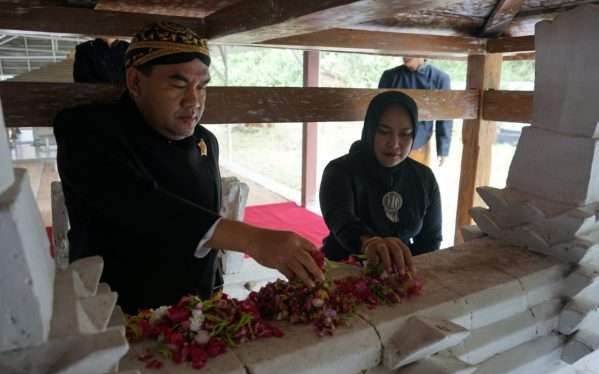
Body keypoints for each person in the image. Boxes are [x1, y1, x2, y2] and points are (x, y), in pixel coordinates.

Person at [54, 22, 323, 314]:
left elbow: (206, 224)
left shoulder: (205, 141)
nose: (193, 100)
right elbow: (137, 202)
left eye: (202, 86)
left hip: (194, 314)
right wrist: (252, 239)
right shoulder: (86, 129)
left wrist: (213, 292)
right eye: (178, 84)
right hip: (116, 316)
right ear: (135, 82)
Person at [319, 91, 442, 272]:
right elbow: (342, 223)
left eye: (405, 134)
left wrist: (405, 272)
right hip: (343, 270)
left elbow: (430, 240)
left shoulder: (423, 178)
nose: (394, 143)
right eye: (384, 132)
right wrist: (370, 243)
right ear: (370, 130)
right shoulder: (340, 172)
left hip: (401, 273)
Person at [378, 58, 453, 167]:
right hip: (388, 143)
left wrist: (443, 149)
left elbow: (445, 116)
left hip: (419, 144)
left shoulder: (440, 78)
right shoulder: (390, 76)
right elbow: (376, 113)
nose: (405, 55)